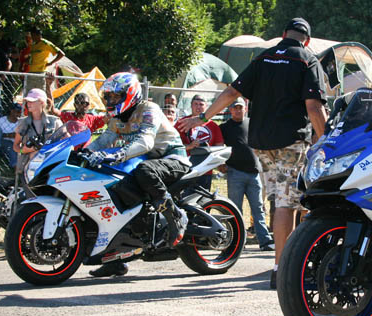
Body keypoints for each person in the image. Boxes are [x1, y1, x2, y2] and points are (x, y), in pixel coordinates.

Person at [178, 17, 328, 289]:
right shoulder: (307, 58)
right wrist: (328, 140)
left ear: (283, 34)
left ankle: (289, 264)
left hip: (260, 143)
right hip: (290, 142)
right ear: (306, 39)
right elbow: (314, 107)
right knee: (286, 204)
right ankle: (283, 271)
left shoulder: (264, 57)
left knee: (285, 201)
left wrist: (204, 119)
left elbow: (232, 91)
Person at [83, 72, 191, 278]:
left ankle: (174, 215)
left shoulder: (149, 110)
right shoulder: (117, 118)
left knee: (144, 170)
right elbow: (104, 139)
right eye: (108, 97)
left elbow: (146, 142)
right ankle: (116, 258)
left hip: (172, 159)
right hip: (145, 162)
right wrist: (83, 152)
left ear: (129, 94)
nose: (110, 101)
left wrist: (119, 154)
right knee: (114, 190)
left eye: (115, 96)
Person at [219, 97, 274, 251]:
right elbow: (217, 146)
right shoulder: (224, 127)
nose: (238, 110)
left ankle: (265, 241)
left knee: (258, 209)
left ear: (245, 108)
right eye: (235, 107)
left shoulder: (252, 123)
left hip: (255, 173)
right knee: (235, 210)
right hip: (235, 172)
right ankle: (237, 242)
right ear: (230, 110)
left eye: (240, 107)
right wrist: (220, 164)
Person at [178, 94, 223, 191]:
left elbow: (219, 146)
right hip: (186, 168)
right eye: (196, 104)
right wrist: (189, 146)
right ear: (191, 105)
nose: (198, 107)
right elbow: (173, 145)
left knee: (203, 201)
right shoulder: (182, 122)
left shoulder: (213, 125)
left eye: (201, 104)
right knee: (184, 200)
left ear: (206, 106)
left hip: (205, 170)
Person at [13, 88, 63, 177]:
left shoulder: (54, 122)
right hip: (28, 167)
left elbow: (68, 142)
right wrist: (23, 150)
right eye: (27, 101)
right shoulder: (23, 123)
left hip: (50, 165)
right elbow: (15, 146)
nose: (28, 104)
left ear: (42, 102)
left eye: (32, 101)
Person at [26, 26, 64, 92]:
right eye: (31, 35)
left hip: (41, 73)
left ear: (38, 35)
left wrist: (51, 63)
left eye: (33, 35)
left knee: (41, 94)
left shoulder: (46, 43)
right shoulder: (33, 45)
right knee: (29, 93)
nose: (32, 37)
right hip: (31, 73)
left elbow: (61, 54)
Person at [0, 102, 22, 169]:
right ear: (11, 111)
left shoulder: (20, 122)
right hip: (1, 143)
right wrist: (8, 135)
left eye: (20, 112)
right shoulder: (2, 120)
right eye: (17, 112)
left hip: (13, 145)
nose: (18, 114)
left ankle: (16, 169)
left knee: (12, 148)